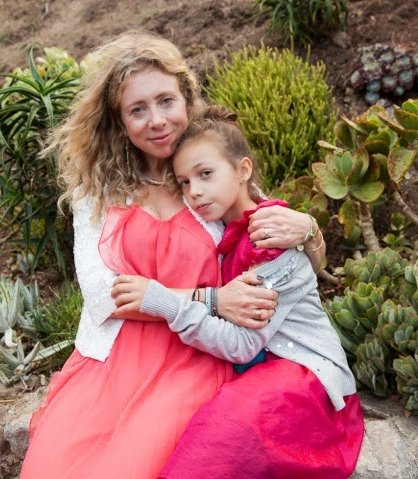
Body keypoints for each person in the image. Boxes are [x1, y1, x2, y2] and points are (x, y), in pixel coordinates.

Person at [19, 31, 325, 479]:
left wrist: (310, 231)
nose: (157, 120)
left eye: (166, 101)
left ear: (186, 98)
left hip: (194, 353)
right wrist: (213, 299)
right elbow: (104, 296)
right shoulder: (97, 191)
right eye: (137, 110)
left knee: (130, 467)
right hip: (113, 355)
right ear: (119, 122)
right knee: (51, 467)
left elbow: (290, 268)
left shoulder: (209, 172)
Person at [112, 106, 364, 478]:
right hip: (256, 368)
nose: (195, 192)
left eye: (206, 174)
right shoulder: (224, 231)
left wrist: (163, 300)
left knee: (218, 436)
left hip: (305, 378)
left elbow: (242, 343)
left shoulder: (270, 238)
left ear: (243, 170)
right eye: (184, 182)